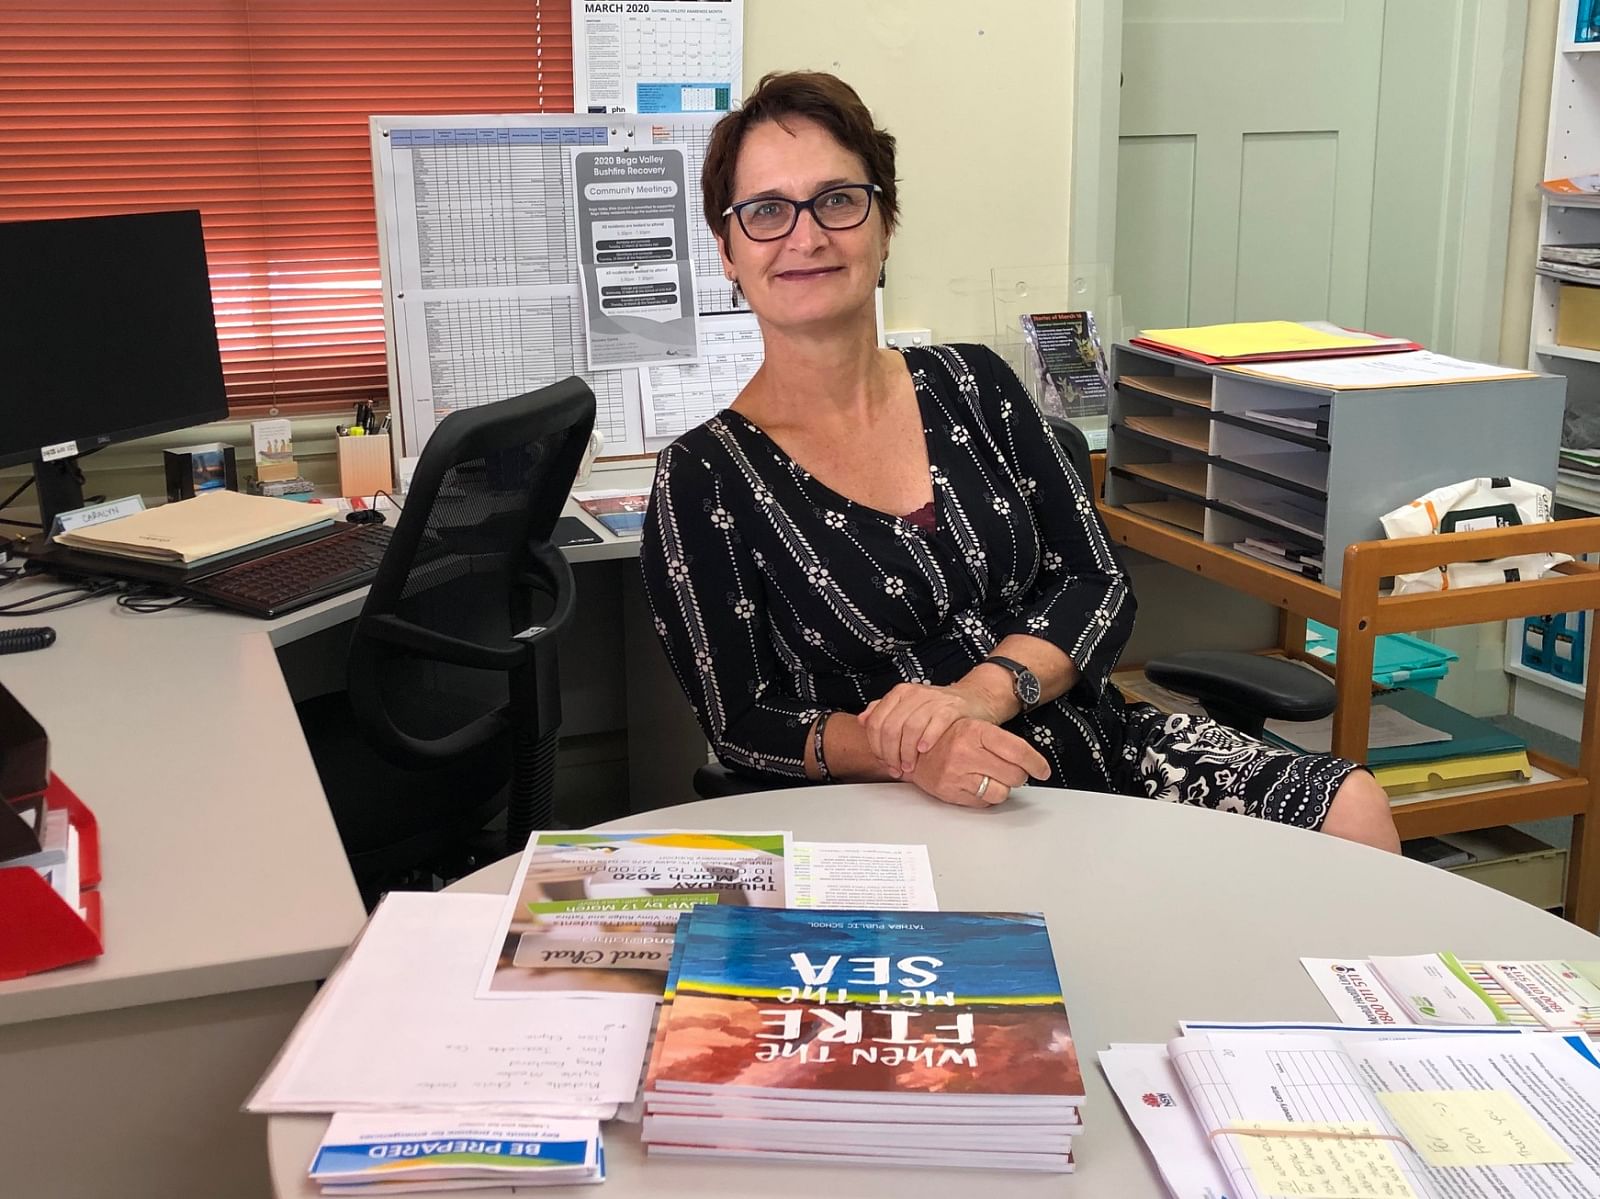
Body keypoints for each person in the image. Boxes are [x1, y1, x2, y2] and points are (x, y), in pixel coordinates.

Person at [639, 71, 1399, 852]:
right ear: (727, 252)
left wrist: (981, 694)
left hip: (1090, 746)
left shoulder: (974, 384)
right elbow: (744, 720)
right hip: (888, 802)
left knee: (1353, 810)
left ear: (885, 223)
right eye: (766, 211)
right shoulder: (705, 476)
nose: (806, 236)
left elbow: (1095, 581)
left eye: (838, 199)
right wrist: (918, 746)